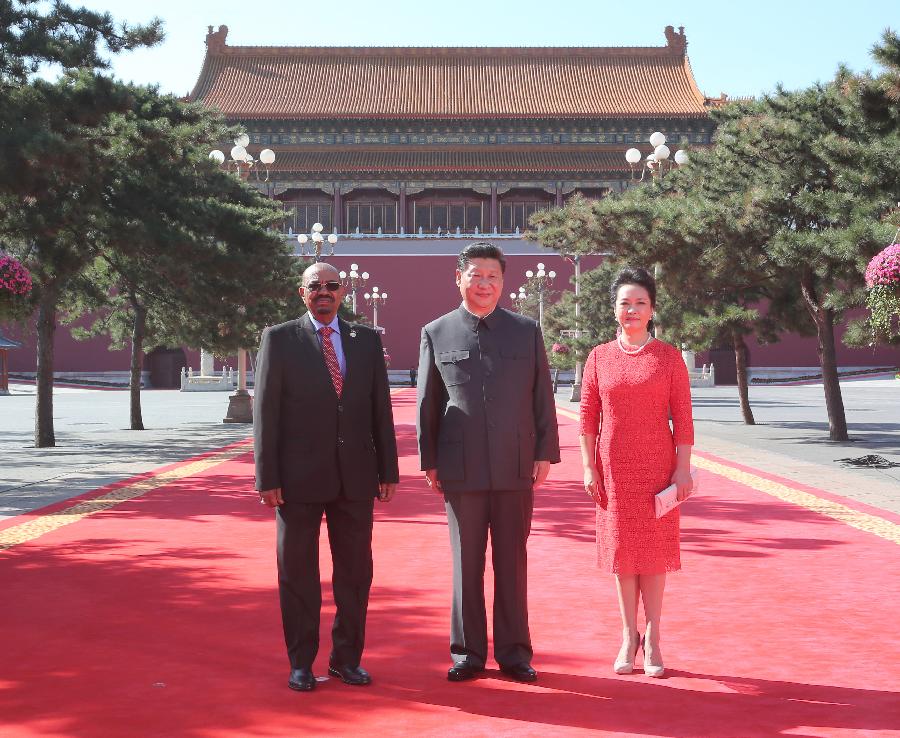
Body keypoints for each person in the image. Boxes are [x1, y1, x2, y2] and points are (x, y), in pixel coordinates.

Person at [417, 242, 560, 683]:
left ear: (503, 281)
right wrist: (430, 460)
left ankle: (515, 653)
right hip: (461, 468)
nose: (485, 284)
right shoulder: (437, 333)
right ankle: (468, 653)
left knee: (512, 564)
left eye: (493, 276)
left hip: (516, 465)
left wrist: (544, 451)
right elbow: (428, 402)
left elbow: (542, 395)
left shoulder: (525, 330)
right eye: (476, 275)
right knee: (467, 563)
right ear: (458, 278)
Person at [253, 262, 399, 692]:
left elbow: (380, 410)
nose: (324, 292)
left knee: (355, 574)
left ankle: (346, 659)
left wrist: (387, 469)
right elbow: (266, 412)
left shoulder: (366, 341)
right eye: (315, 286)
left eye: (332, 286)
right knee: (297, 574)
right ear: (302, 293)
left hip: (355, 478)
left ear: (344, 292)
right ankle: (301, 662)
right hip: (296, 480)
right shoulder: (279, 339)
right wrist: (267, 476)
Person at [579, 266, 694, 678]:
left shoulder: (668, 357)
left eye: (640, 303)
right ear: (614, 310)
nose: (632, 310)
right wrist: (589, 466)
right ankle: (629, 635)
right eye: (625, 303)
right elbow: (588, 418)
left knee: (655, 555)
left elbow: (683, 417)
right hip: (613, 468)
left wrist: (683, 469)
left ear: (652, 310)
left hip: (658, 468)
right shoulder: (598, 357)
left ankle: (655, 637)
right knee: (622, 555)